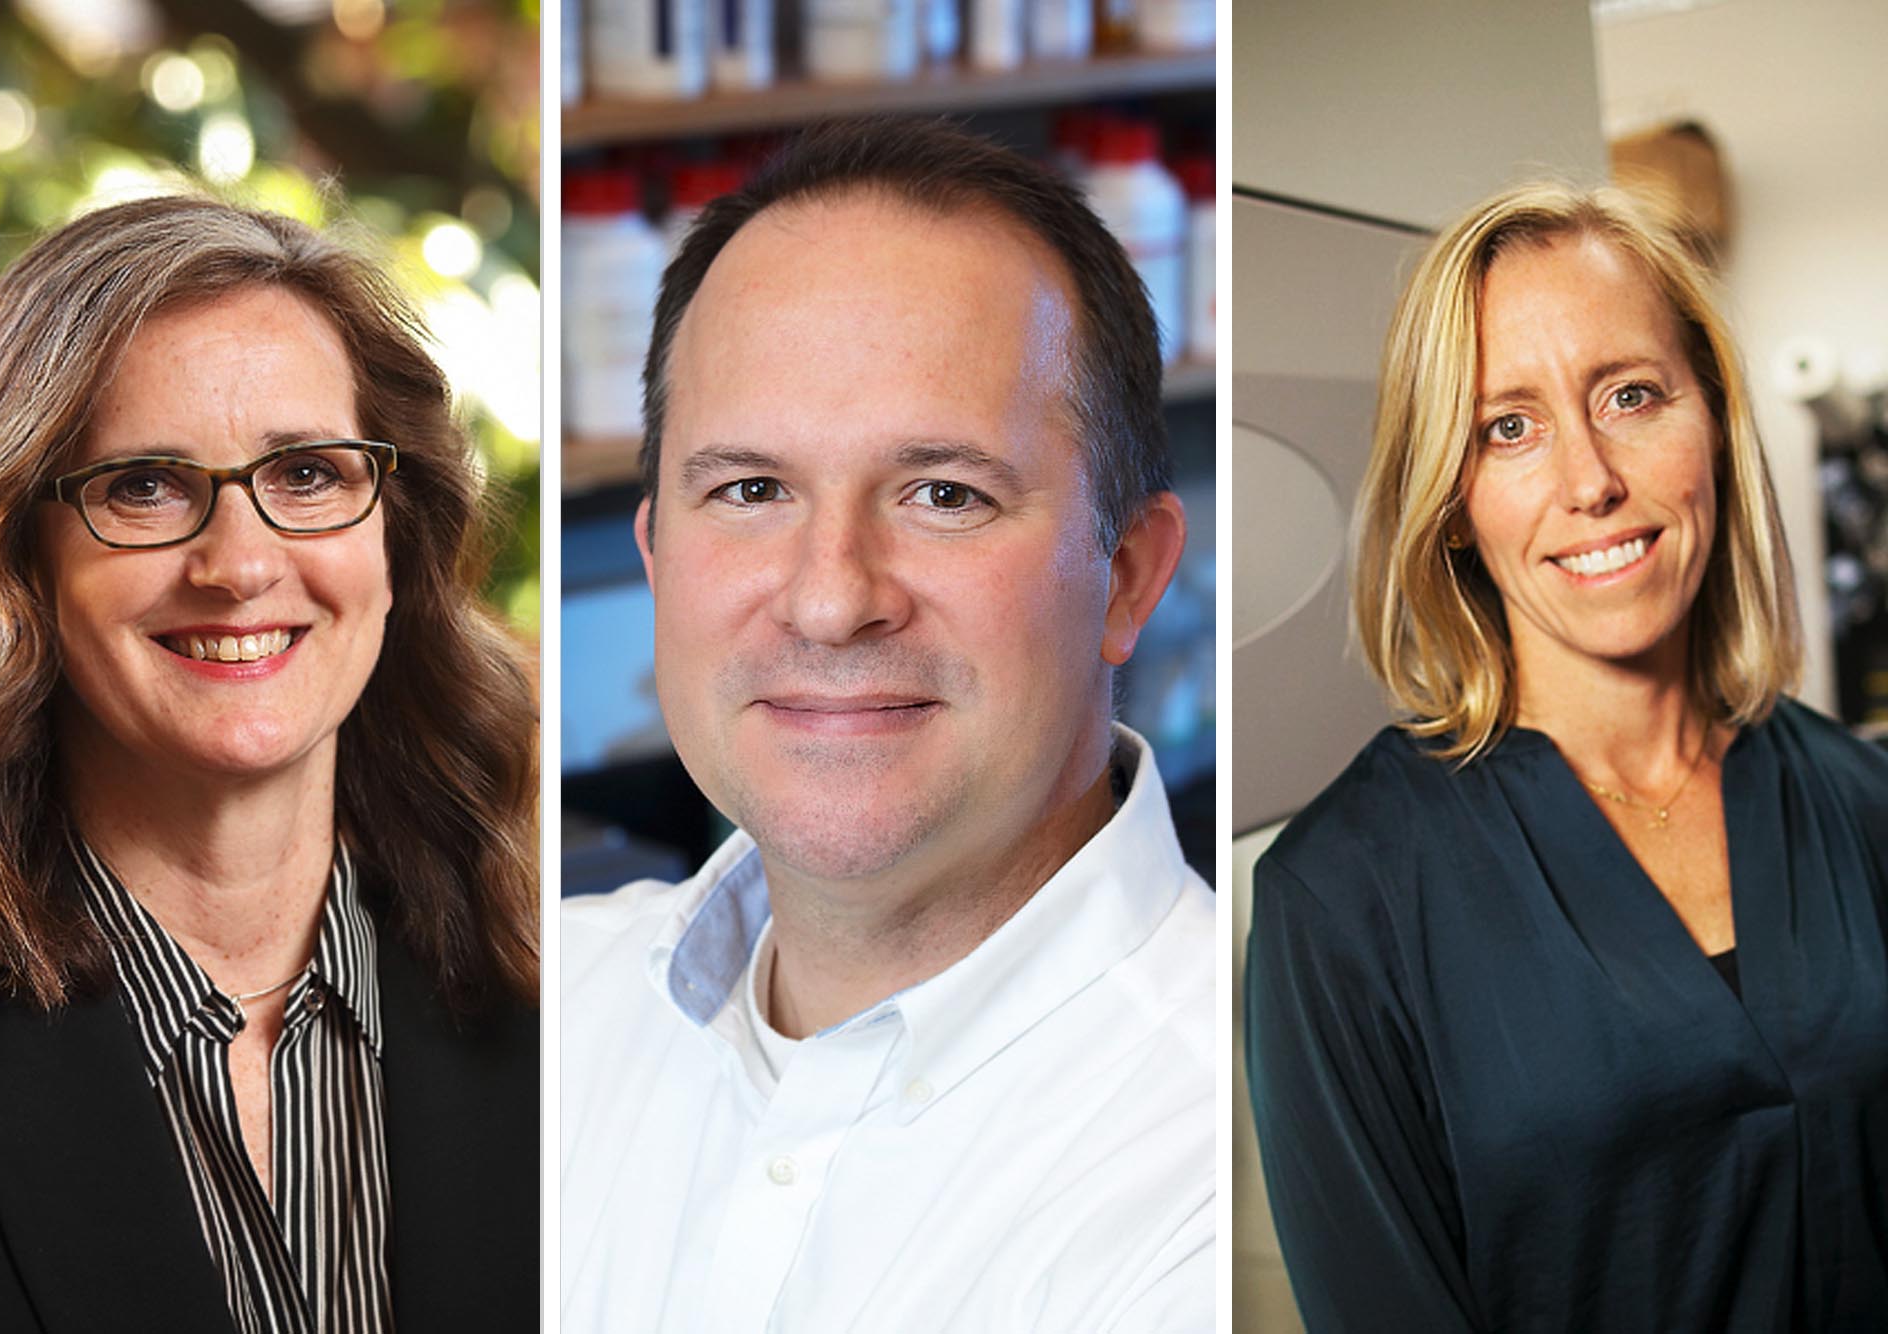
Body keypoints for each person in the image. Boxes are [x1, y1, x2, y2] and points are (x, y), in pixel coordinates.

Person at [560, 119, 1214, 1331]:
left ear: (1125, 575)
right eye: (749, 490)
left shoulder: (1219, 1142)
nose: (829, 594)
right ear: (658, 559)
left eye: (942, 494)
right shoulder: (538, 1012)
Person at [1245, 180, 1888, 1332]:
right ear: (1450, 500)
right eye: (1508, 426)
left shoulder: (1864, 804)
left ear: (1712, 420)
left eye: (1631, 395)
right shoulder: (1344, 900)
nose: (1588, 478)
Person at [0, 195, 539, 1332]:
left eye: (307, 475)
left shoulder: (558, 984)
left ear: (396, 532)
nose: (238, 564)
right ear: (16, 556)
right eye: (143, 484)